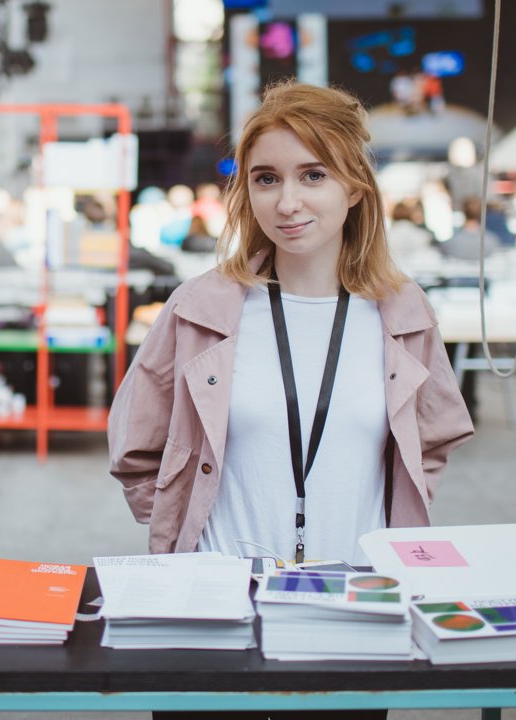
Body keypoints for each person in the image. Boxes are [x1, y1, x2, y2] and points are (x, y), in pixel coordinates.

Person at [108, 82, 473, 719]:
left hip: (352, 612)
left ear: (354, 187)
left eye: (313, 175)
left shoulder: (401, 314)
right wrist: (183, 528)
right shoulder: (201, 309)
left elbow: (430, 442)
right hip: (217, 609)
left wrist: (384, 533)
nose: (288, 201)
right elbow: (136, 445)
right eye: (266, 178)